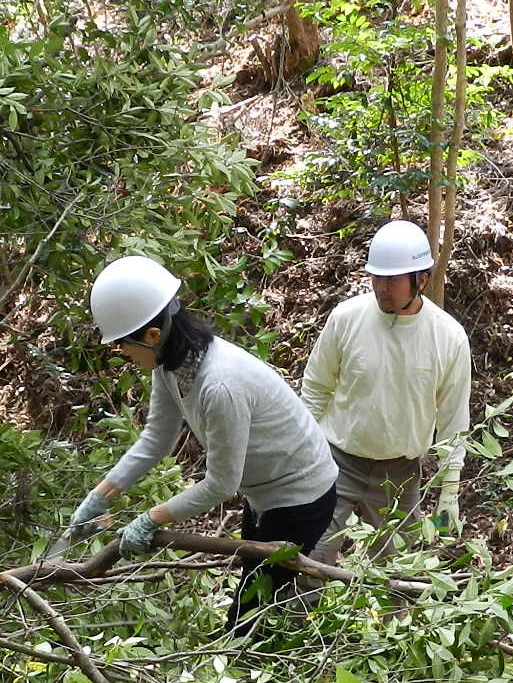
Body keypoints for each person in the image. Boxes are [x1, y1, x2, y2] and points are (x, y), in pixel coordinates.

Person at [66, 255, 338, 632]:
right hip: (264, 492)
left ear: (152, 335)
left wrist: (150, 519)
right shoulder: (171, 366)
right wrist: (99, 498)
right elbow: (156, 440)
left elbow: (221, 484)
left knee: (249, 610)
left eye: (123, 347)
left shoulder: (220, 385)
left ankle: (249, 666)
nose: (125, 356)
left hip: (302, 495)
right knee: (256, 587)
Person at [301, 220, 471, 545]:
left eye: (392, 280)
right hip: (336, 460)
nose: (381, 287)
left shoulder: (448, 338)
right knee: (312, 556)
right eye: (376, 276)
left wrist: (448, 495)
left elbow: (453, 422)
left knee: (396, 575)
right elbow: (316, 388)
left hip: (400, 474)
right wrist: (302, 454)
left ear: (420, 280)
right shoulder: (346, 318)